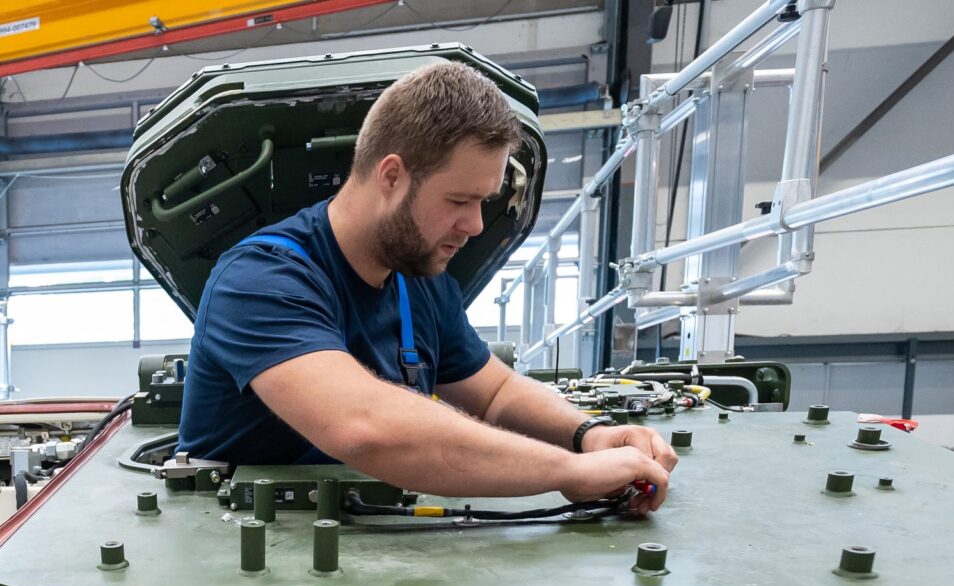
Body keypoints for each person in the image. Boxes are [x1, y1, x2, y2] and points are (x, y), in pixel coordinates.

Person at [177, 60, 675, 511]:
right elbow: (363, 428)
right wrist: (567, 471)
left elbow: (495, 391)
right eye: (459, 200)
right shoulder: (260, 278)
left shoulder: (418, 275)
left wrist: (588, 434)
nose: (476, 225)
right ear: (391, 176)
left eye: (483, 201)